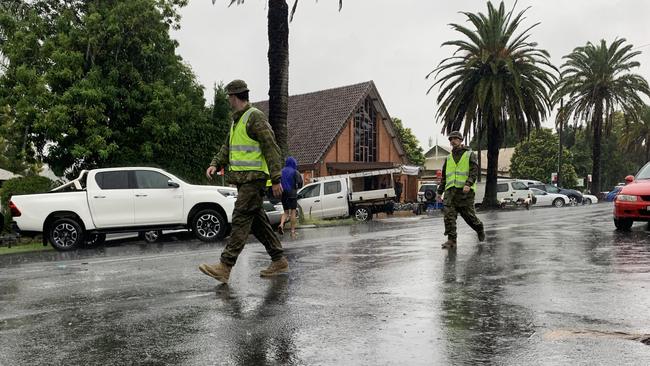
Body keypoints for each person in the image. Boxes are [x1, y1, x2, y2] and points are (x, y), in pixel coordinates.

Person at [199, 79, 287, 284]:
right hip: (243, 181)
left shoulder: (254, 117)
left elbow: (271, 147)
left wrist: (276, 178)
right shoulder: (236, 121)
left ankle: (225, 266)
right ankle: (279, 259)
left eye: (229, 97)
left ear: (234, 96)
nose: (228, 100)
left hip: (254, 180)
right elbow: (227, 147)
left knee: (239, 218)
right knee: (257, 223)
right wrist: (215, 163)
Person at [436, 131, 485, 249]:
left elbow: (474, 171)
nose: (453, 141)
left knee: (469, 216)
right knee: (448, 215)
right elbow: (444, 177)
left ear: (461, 140)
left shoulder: (469, 154)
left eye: (455, 138)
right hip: (450, 192)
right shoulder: (448, 158)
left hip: (464, 192)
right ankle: (451, 240)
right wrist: (439, 192)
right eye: (451, 139)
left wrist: (468, 183)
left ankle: (479, 228)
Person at [278, 156, 303, 238]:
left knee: (285, 212)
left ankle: (281, 224)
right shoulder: (295, 172)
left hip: (283, 193)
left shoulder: (281, 171)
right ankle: (292, 232)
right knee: (293, 212)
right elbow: (300, 184)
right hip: (292, 193)